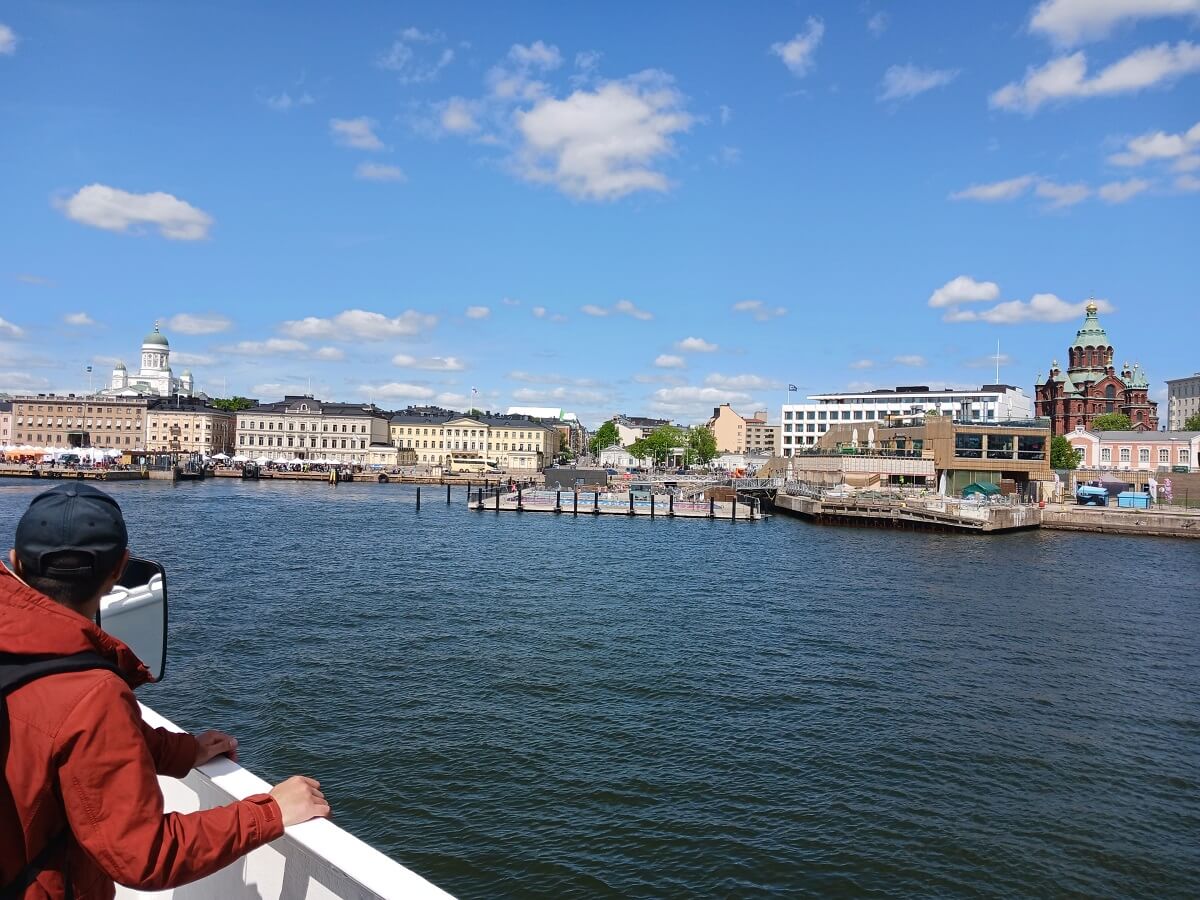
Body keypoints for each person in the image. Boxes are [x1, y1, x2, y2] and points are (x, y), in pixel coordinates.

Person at [1, 484, 330, 899]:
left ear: (15, 563)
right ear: (121, 568)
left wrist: (183, 752)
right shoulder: (91, 693)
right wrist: (270, 812)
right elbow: (142, 855)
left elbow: (54, 731)